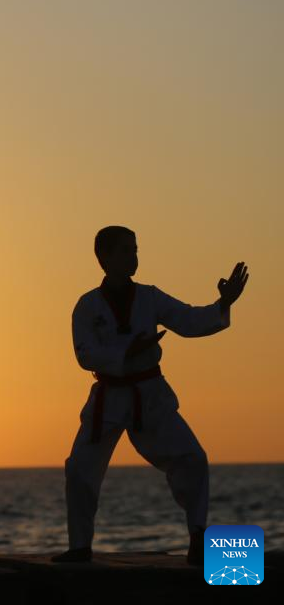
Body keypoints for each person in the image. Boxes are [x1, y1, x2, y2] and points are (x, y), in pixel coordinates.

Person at [53, 226, 248, 565]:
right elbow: (85, 355)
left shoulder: (149, 297)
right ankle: (80, 547)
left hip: (150, 394)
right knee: (81, 470)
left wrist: (223, 303)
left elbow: (188, 320)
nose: (134, 256)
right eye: (126, 250)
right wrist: (127, 352)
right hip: (108, 399)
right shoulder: (87, 306)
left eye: (135, 249)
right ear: (104, 257)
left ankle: (198, 537)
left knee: (192, 458)